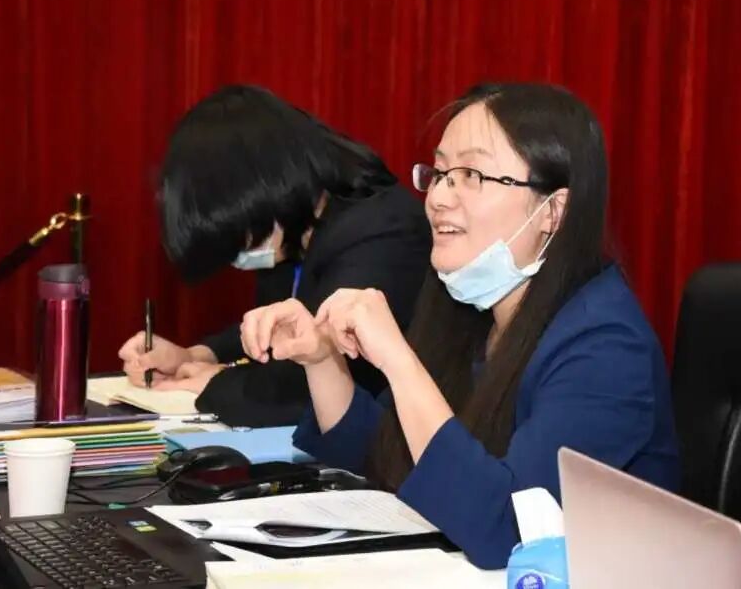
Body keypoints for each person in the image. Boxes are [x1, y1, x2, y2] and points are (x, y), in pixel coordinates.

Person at [238, 83, 681, 567]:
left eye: (471, 175)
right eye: (440, 173)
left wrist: (398, 361)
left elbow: (507, 530)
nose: (439, 198)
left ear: (553, 212)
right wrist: (321, 359)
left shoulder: (606, 349)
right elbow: (386, 452)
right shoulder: (472, 309)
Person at [117, 85, 431, 426]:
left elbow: (314, 387)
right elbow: (276, 335)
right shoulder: (294, 229)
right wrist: (195, 356)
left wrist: (214, 383)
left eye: (237, 237)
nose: (238, 258)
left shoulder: (383, 234)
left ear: (263, 190)